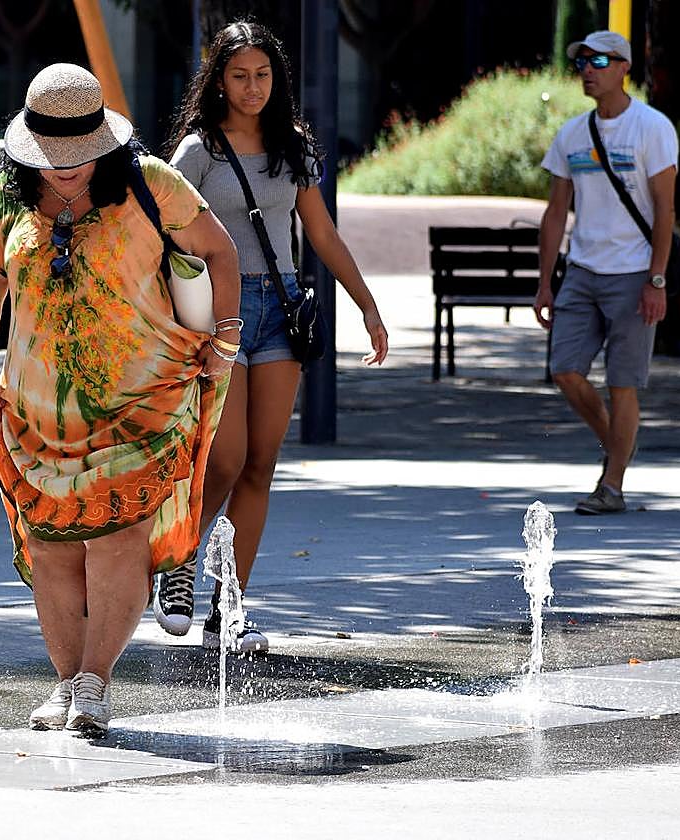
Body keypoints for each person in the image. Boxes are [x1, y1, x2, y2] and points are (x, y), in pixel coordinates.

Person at [0, 64, 239, 736]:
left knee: (117, 540)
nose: (65, 170)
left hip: (142, 405)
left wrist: (226, 335)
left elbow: (221, 254)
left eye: (80, 156)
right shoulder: (6, 197)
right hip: (37, 413)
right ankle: (66, 685)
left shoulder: (153, 186)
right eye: (53, 157)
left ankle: (95, 683)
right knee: (54, 546)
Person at [157, 21, 389, 653]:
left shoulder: (294, 146)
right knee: (226, 458)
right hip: (219, 314)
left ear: (276, 79)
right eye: (239, 76)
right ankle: (178, 562)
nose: (252, 87)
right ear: (219, 81)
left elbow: (322, 232)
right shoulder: (198, 151)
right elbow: (162, 233)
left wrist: (367, 304)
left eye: (263, 75)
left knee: (260, 465)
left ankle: (227, 614)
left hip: (282, 309)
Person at [534, 31, 677, 515]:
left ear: (623, 67)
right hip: (582, 271)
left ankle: (611, 485)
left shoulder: (652, 128)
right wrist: (544, 282)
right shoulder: (572, 134)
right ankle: (619, 444)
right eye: (581, 63)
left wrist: (656, 279)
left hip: (634, 274)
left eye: (599, 61)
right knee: (566, 371)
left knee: (623, 383)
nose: (587, 70)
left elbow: (665, 211)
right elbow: (556, 211)